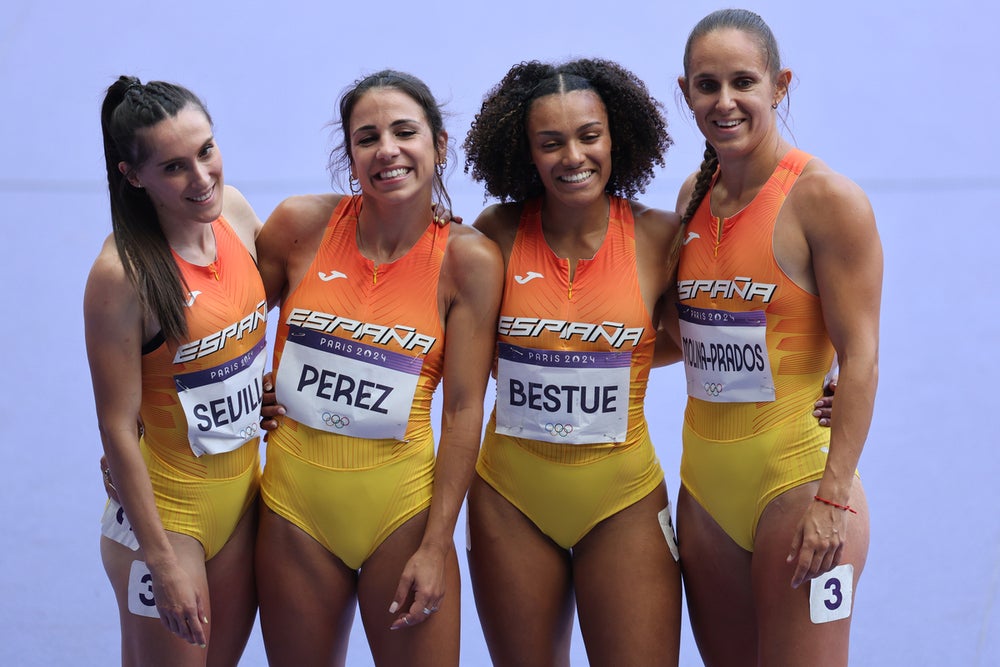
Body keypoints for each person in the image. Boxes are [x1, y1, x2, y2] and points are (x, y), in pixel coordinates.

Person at [253, 70, 503, 667]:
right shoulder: (298, 227)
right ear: (350, 154)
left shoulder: (469, 261)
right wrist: (243, 392)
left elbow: (465, 406)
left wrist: (438, 542)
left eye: (404, 131)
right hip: (294, 508)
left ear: (440, 145)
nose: (386, 150)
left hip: (404, 516)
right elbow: (221, 336)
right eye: (367, 137)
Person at [667, 9, 882, 666]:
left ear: (779, 84)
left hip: (799, 488)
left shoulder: (825, 199)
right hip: (704, 494)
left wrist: (832, 497)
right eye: (707, 85)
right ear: (686, 93)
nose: (724, 101)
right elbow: (686, 338)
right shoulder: (692, 197)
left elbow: (863, 356)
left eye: (743, 81)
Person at [461, 58, 685, 666]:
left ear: (617, 138)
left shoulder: (661, 239)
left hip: (623, 502)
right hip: (509, 500)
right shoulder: (496, 234)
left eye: (589, 136)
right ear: (526, 153)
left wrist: (824, 371)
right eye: (550, 143)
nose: (573, 156)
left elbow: (707, 333)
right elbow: (455, 344)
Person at [85, 76, 265, 666]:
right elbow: (115, 427)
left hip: (240, 503)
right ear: (133, 176)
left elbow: (272, 316)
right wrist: (160, 561)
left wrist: (264, 387)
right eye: (174, 167)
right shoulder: (123, 275)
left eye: (206, 151)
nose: (202, 178)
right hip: (164, 524)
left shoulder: (234, 213)